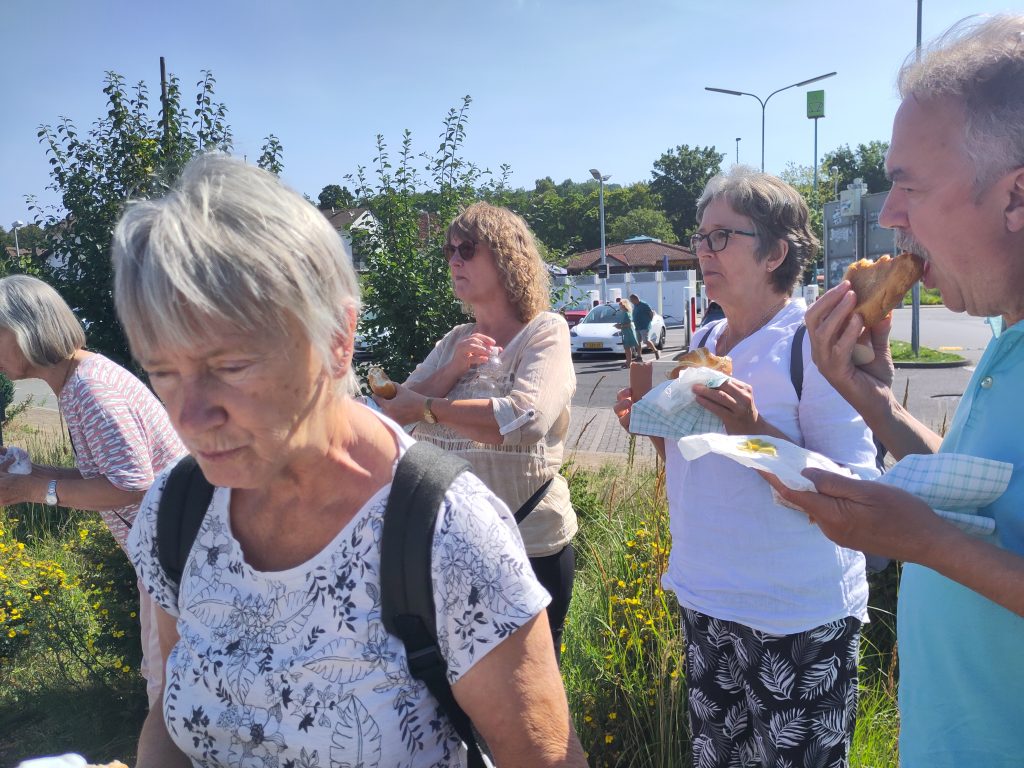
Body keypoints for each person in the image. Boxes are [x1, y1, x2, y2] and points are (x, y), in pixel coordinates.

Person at [112, 156, 586, 766]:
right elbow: (171, 713)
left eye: (230, 367)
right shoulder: (179, 506)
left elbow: (519, 417)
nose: (191, 418)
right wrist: (444, 377)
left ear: (339, 338)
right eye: (162, 372)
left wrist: (428, 406)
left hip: (528, 532)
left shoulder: (452, 532)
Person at [768, 15, 1024, 766]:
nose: (888, 216)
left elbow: (950, 534)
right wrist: (870, 397)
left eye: (910, 186)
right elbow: (986, 500)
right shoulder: (1006, 335)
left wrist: (923, 542)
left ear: (1017, 196)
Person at [613, 167, 880, 767]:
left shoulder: (813, 344)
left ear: (775, 253)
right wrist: (653, 427)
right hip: (706, 599)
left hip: (795, 617)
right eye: (700, 236)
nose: (703, 251)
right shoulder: (706, 339)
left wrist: (753, 431)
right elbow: (694, 468)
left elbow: (855, 491)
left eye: (721, 237)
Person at [376, 202, 578, 660]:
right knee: (457, 684)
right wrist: (452, 369)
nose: (454, 260)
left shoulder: (543, 332)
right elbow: (394, 409)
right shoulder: (454, 339)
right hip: (452, 547)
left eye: (466, 249)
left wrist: (429, 408)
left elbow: (525, 419)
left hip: (528, 546)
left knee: (528, 687)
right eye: (448, 250)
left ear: (507, 257)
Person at [0, 274, 186, 709]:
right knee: (165, 683)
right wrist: (32, 470)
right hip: (169, 558)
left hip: (178, 561)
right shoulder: (79, 381)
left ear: (24, 331)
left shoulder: (91, 390)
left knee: (169, 691)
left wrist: (32, 488)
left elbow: (131, 483)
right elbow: (106, 474)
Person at [628, 293, 660, 360]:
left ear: (635, 299)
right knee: (638, 342)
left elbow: (651, 313)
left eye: (632, 300)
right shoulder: (635, 305)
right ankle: (639, 356)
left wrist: (649, 320)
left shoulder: (644, 305)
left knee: (645, 341)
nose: (631, 302)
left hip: (644, 326)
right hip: (637, 326)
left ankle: (655, 350)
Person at [614, 296, 642, 367]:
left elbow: (629, 324)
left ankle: (628, 362)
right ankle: (628, 362)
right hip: (626, 332)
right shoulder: (624, 312)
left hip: (628, 332)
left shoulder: (626, 313)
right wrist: (620, 325)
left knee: (627, 348)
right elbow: (625, 322)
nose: (620, 306)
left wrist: (620, 326)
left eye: (621, 305)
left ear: (624, 305)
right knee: (627, 348)